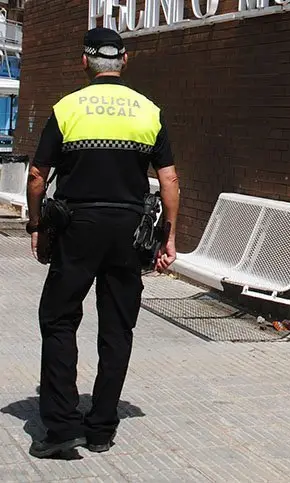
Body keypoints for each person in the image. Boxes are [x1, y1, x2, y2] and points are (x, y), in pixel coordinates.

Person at [24, 27, 180, 459]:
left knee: (58, 319)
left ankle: (60, 429)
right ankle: (101, 428)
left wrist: (36, 226)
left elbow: (38, 176)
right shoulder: (149, 110)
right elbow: (168, 178)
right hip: (129, 230)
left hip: (77, 225)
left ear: (84, 63)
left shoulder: (67, 107)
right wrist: (169, 235)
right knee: (117, 326)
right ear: (124, 62)